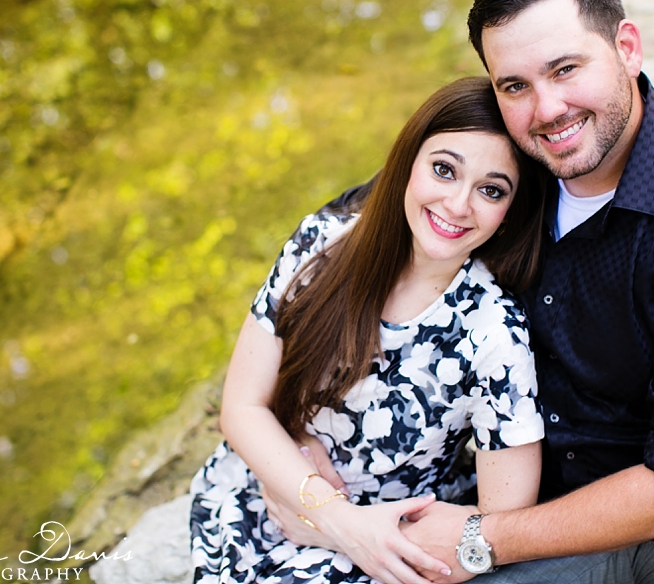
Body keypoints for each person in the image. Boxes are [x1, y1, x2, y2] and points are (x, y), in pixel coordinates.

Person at [268, 0, 654, 583]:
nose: (548, 109)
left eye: (566, 69)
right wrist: (296, 441)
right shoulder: (500, 167)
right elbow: (357, 228)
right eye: (516, 85)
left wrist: (483, 537)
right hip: (534, 498)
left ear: (627, 47)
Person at [189, 77, 553, 584]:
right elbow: (242, 406)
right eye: (444, 170)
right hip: (272, 489)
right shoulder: (321, 245)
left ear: (510, 212)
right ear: (408, 162)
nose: (457, 204)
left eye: (490, 190)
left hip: (394, 545)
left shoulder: (495, 335)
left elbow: (498, 533)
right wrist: (333, 515)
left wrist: (338, 533)